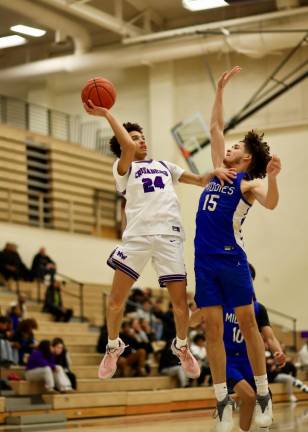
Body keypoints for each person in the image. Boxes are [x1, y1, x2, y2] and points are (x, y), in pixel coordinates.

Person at [83, 100, 236, 380]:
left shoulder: (165, 166)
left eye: (142, 138)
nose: (140, 142)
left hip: (169, 236)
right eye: (134, 138)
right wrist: (106, 113)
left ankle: (181, 346)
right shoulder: (122, 166)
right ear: (123, 143)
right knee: (115, 302)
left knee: (180, 305)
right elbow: (127, 147)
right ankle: (113, 347)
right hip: (138, 238)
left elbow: (200, 180)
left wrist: (213, 173)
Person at [194, 66, 281, 431]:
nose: (229, 147)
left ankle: (263, 394)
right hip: (203, 260)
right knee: (212, 330)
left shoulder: (246, 183)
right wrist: (219, 90)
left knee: (247, 324)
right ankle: (221, 402)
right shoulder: (219, 171)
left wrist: (273, 178)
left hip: (231, 258)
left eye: (236, 148)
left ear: (245, 160)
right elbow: (215, 128)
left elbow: (271, 203)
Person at [190, 301, 285, 432]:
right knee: (249, 395)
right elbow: (192, 322)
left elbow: (270, 338)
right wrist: (204, 308)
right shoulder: (221, 303)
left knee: (258, 397)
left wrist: (278, 352)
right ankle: (225, 400)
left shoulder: (258, 308)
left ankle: (234, 412)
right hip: (227, 360)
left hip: (249, 360)